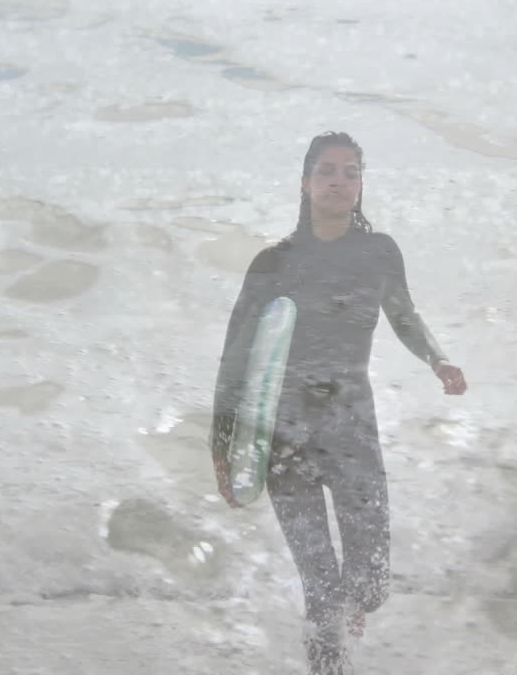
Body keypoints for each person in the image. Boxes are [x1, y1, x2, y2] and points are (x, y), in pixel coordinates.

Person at [209, 131, 467, 674]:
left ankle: (353, 611)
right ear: (305, 182)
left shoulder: (378, 252)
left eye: (351, 171)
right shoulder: (272, 263)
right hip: (285, 432)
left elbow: (403, 313)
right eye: (328, 170)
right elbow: (236, 355)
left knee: (370, 581)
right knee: (321, 587)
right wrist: (224, 444)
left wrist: (437, 359)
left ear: (361, 183)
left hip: (352, 426)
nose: (339, 180)